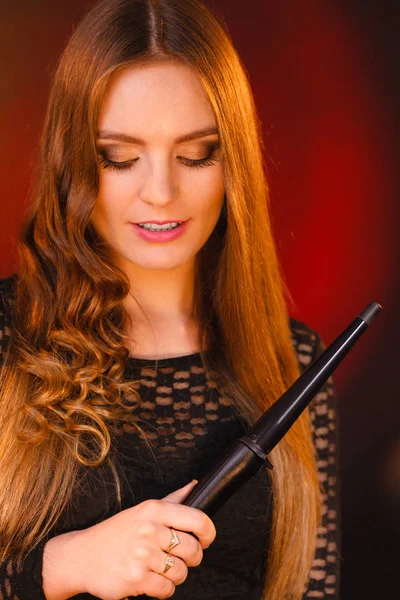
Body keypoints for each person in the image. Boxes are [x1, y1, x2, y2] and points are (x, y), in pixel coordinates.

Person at [0, 0, 340, 598]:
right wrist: (64, 565)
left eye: (196, 154)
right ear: (74, 162)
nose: (161, 191)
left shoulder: (299, 358)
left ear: (233, 161)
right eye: (119, 158)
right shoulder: (6, 337)